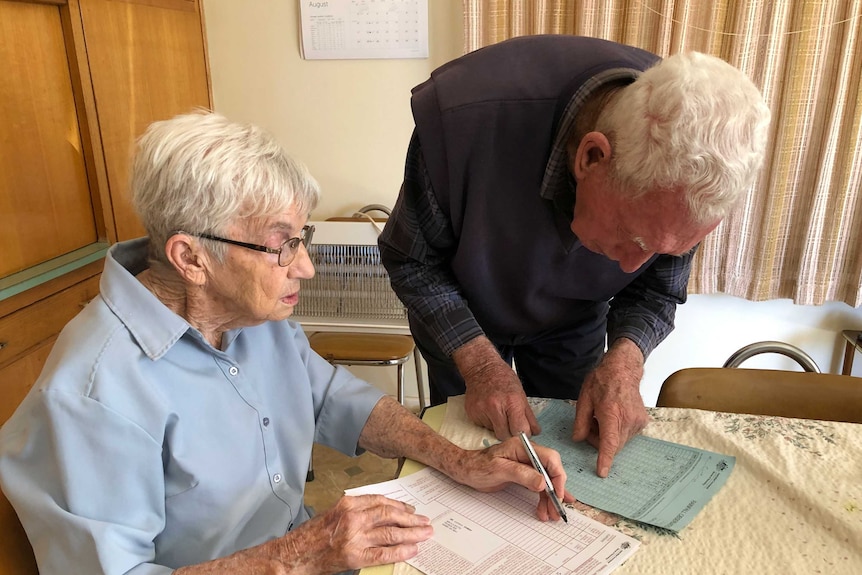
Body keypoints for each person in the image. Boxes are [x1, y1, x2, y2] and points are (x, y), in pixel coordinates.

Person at [0, 111, 574, 575]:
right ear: (190, 257)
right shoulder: (93, 392)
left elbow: (334, 400)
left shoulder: (253, 317)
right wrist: (297, 557)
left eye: (303, 238)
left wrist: (460, 461)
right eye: (281, 245)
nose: (304, 267)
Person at [378, 35, 771, 478]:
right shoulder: (462, 120)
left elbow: (656, 290)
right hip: (460, 313)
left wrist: (626, 361)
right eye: (633, 239)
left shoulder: (688, 175)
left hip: (574, 321)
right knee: (465, 460)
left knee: (573, 457)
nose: (628, 268)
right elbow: (411, 260)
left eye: (663, 250)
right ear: (592, 157)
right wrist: (481, 366)